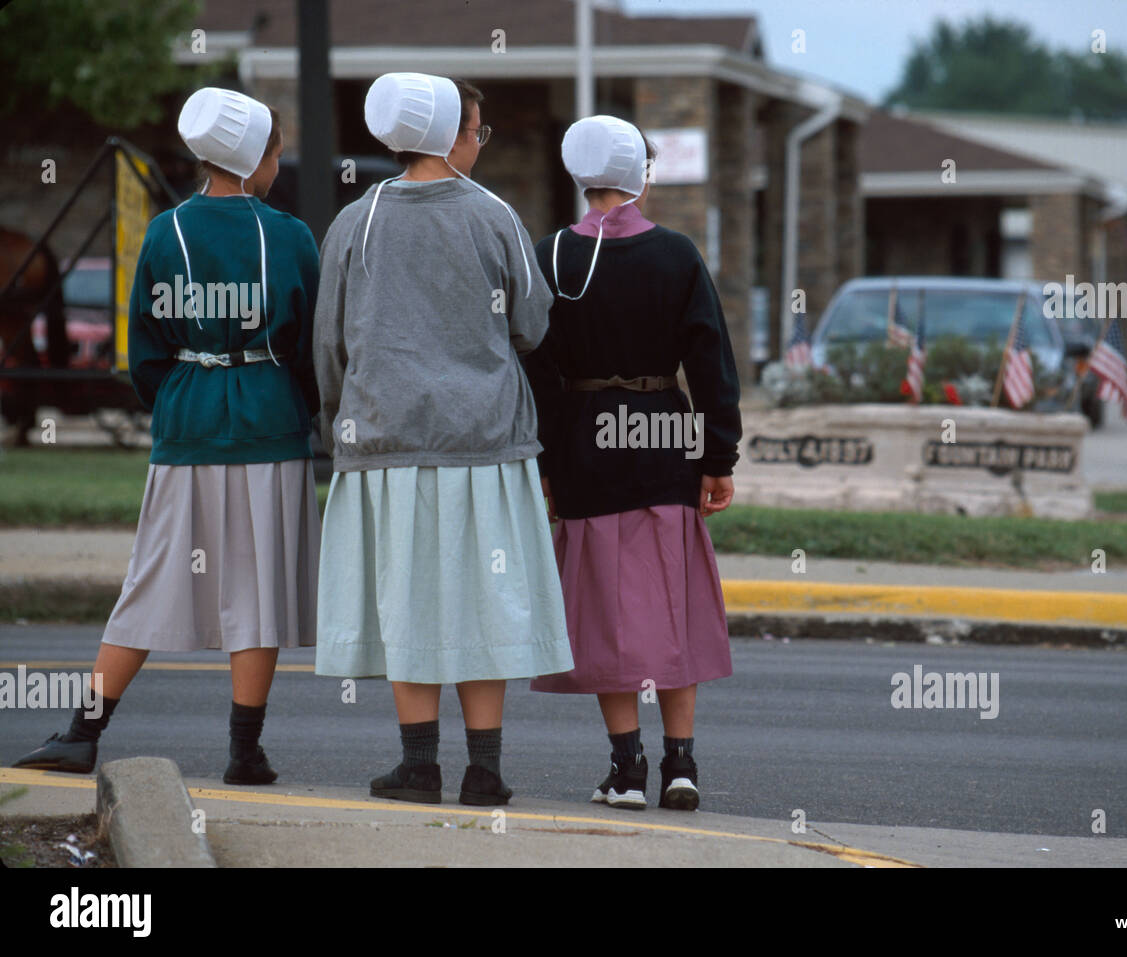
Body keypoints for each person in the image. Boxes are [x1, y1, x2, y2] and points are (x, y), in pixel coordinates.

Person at [12, 88, 321, 784]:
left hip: (186, 423)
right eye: (274, 151)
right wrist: (297, 402)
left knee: (151, 579)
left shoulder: (164, 232)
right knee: (260, 592)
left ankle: (83, 729)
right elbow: (307, 347)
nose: (278, 163)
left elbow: (144, 350)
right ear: (253, 160)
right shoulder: (292, 236)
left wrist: (182, 395)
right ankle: (245, 750)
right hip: (269, 423)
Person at [313, 73, 572, 806]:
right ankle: (484, 769)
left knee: (408, 602)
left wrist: (339, 418)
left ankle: (417, 764)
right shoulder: (494, 215)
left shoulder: (355, 221)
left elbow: (330, 342)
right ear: (450, 134)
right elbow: (532, 322)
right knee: (482, 602)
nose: (479, 143)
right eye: (476, 131)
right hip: (484, 440)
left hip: (385, 441)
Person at [526, 115, 742, 811]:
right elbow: (710, 358)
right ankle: (682, 764)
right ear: (640, 174)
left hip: (586, 443)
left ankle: (626, 767)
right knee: (674, 606)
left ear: (579, 175)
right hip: (660, 439)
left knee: (605, 612)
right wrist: (718, 452)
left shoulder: (552, 255)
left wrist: (548, 461)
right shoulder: (677, 254)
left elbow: (539, 371)